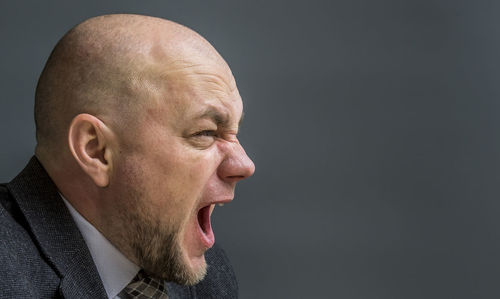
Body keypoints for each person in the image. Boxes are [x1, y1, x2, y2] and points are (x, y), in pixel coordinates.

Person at [0, 14, 255, 298]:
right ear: (96, 151)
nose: (244, 165)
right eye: (205, 133)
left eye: (234, 133)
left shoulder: (210, 279)